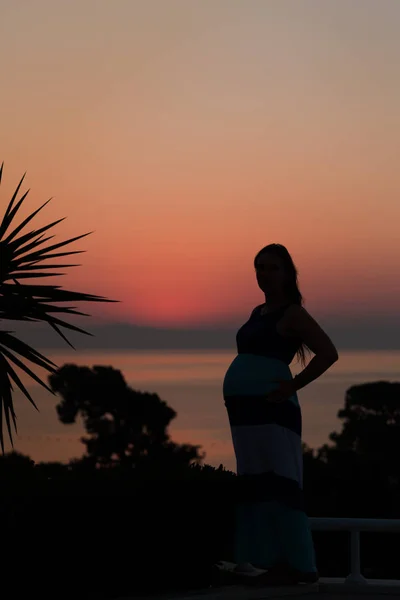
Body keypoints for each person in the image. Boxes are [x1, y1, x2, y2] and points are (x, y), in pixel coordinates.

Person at [220, 243, 339, 585]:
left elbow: (328, 353)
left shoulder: (292, 313)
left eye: (272, 267)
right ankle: (266, 560)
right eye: (258, 267)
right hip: (245, 412)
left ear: (287, 273)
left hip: (273, 409)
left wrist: (294, 385)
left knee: (281, 479)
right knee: (255, 480)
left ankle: (301, 564)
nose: (263, 274)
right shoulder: (258, 311)